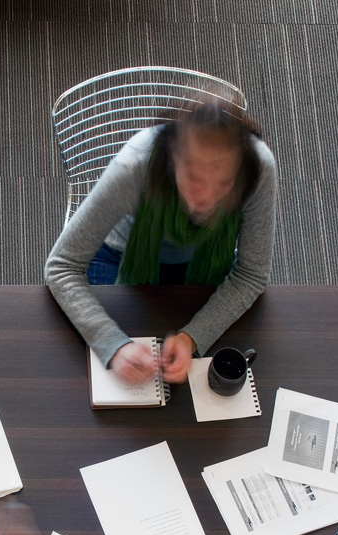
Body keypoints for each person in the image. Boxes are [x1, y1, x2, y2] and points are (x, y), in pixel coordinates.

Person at [45, 97, 277, 386]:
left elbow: (251, 275)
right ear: (173, 159)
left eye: (223, 183)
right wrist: (113, 344)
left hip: (201, 259)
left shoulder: (258, 168)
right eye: (194, 177)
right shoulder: (136, 165)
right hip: (122, 251)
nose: (206, 198)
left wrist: (191, 337)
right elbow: (61, 266)